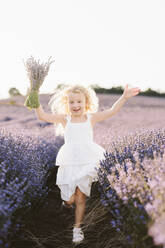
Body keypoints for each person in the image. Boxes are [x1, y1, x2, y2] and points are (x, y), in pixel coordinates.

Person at [34, 83, 140, 244]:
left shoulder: (90, 117)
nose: (75, 105)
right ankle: (66, 203)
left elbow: (111, 111)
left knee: (80, 196)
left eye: (79, 102)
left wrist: (124, 97)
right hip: (70, 160)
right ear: (66, 104)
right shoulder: (65, 119)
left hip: (88, 159)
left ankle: (77, 229)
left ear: (86, 103)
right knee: (70, 199)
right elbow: (42, 116)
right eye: (72, 102)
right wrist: (34, 97)